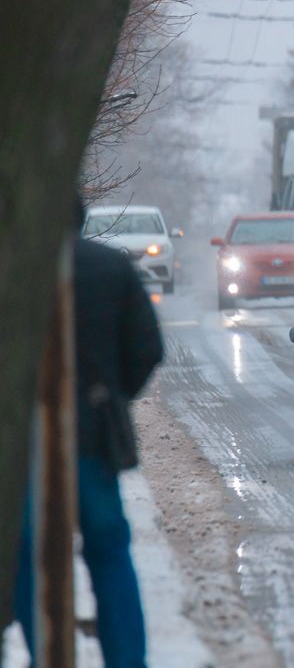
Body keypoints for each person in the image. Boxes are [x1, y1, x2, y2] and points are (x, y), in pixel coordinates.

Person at [13, 197, 163, 667]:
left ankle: (46, 651)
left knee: (26, 557)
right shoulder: (110, 267)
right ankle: (126, 660)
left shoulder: (14, 270)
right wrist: (112, 395)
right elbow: (148, 348)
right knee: (109, 552)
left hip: (24, 446)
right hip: (93, 440)